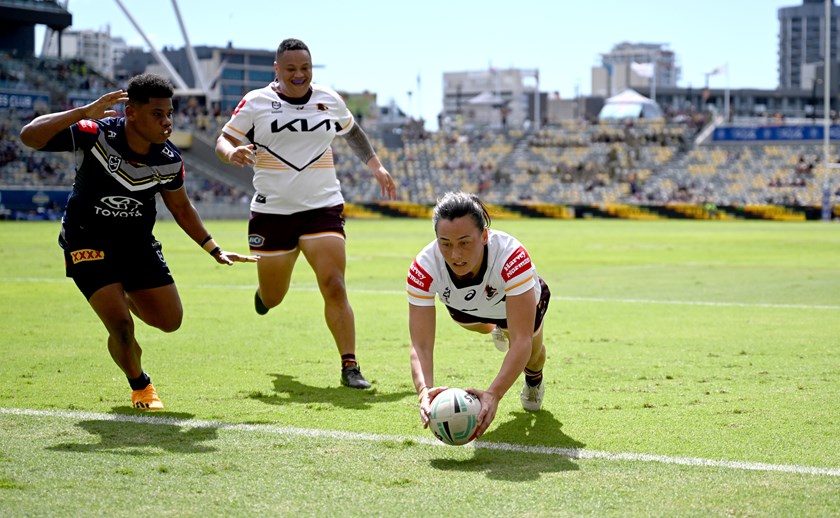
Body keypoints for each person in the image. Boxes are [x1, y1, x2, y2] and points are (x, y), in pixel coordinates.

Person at [19, 73, 257, 411]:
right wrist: (83, 112)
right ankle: (141, 385)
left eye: (169, 114)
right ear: (131, 112)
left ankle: (122, 292)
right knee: (122, 327)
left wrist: (213, 247)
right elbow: (30, 136)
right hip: (86, 240)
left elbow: (181, 207)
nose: (167, 122)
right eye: (157, 114)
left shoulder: (169, 159)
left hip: (136, 245)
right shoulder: (96, 133)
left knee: (170, 321)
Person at [215, 38, 397, 389]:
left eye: (305, 69)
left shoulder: (329, 99)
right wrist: (230, 152)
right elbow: (223, 139)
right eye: (291, 69)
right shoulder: (256, 102)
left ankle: (350, 366)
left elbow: (353, 132)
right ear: (277, 70)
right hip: (272, 212)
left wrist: (377, 166)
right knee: (273, 296)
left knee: (334, 284)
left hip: (322, 208)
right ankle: (263, 296)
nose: (299, 75)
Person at [406, 192, 550, 439]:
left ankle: (534, 381)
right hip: (467, 309)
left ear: (483, 236)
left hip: (513, 304)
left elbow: (522, 341)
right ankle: (496, 328)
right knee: (481, 326)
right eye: (446, 243)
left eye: (464, 242)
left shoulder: (511, 256)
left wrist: (494, 394)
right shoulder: (423, 268)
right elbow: (420, 344)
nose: (455, 255)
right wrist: (424, 390)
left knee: (531, 356)